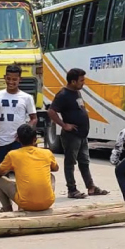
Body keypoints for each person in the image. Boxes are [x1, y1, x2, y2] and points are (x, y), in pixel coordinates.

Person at [47, 68, 110, 199]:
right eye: (81, 80)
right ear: (73, 81)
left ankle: (91, 187)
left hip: (82, 134)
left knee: (84, 162)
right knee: (70, 163)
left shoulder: (77, 92)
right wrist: (64, 125)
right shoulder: (63, 95)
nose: (83, 83)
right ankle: (72, 189)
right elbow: (51, 111)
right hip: (71, 135)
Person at [0, 124, 59, 212]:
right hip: (48, 202)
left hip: (26, 204)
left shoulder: (13, 155)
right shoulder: (47, 153)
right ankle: (42, 198)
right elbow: (56, 168)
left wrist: (10, 169)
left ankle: (7, 209)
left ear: (18, 139)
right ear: (35, 139)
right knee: (51, 176)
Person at [0, 64, 37, 166]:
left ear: (20, 79)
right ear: (4, 77)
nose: (11, 82)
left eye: (14, 79)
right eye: (8, 78)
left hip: (18, 141)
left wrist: (24, 132)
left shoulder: (27, 97)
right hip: (1, 140)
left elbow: (34, 118)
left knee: (20, 170)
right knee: (2, 170)